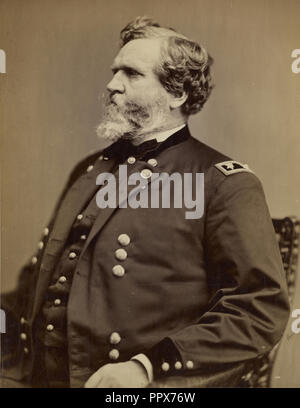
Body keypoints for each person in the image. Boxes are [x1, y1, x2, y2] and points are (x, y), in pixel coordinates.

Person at [1, 16, 290, 388]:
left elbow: (259, 307)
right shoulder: (89, 170)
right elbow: (33, 289)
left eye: (131, 74)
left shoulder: (222, 182)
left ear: (177, 94)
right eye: (114, 71)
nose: (111, 85)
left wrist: (147, 367)